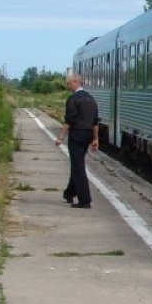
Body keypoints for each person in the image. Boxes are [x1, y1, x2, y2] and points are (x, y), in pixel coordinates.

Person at [54, 74, 99, 209]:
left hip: (77, 134)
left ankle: (85, 200)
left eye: (69, 84)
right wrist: (95, 138)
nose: (68, 86)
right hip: (87, 135)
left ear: (75, 82)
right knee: (77, 163)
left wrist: (60, 137)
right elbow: (95, 121)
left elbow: (70, 120)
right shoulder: (91, 99)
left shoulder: (73, 99)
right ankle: (69, 193)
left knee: (78, 167)